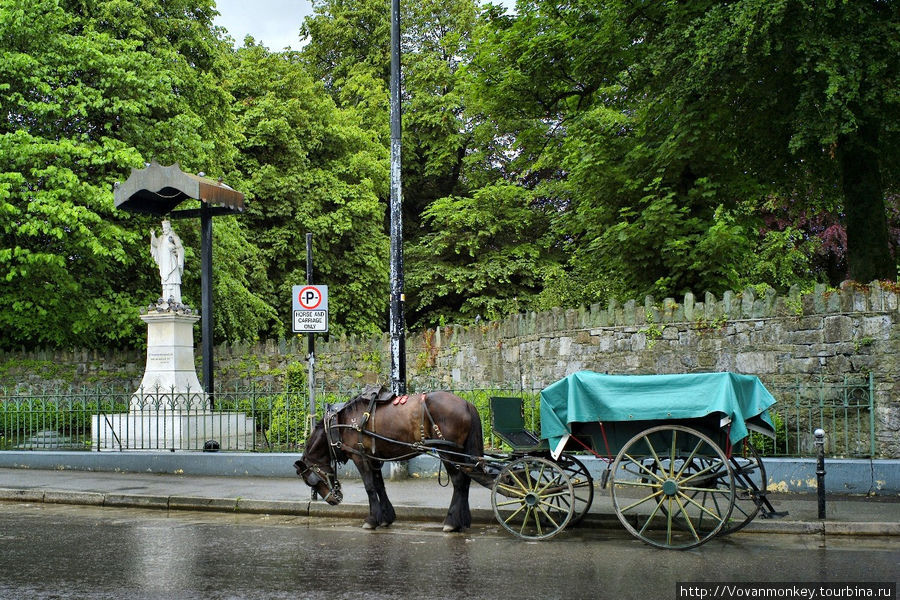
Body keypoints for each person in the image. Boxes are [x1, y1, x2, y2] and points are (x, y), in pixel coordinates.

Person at [150, 220, 185, 303]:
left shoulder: (174, 237)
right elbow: (155, 244)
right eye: (163, 228)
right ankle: (166, 300)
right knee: (165, 283)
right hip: (164, 263)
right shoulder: (161, 238)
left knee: (173, 280)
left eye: (166, 227)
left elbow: (180, 249)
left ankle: (175, 301)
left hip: (172, 262)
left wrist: (176, 251)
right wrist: (153, 236)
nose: (164, 229)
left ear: (169, 228)